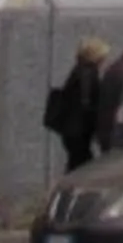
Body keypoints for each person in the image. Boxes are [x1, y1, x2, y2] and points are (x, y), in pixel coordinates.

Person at [46, 37, 109, 171]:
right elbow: (86, 103)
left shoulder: (79, 69)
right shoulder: (88, 73)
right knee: (82, 166)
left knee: (77, 164)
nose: (104, 60)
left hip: (72, 130)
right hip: (79, 131)